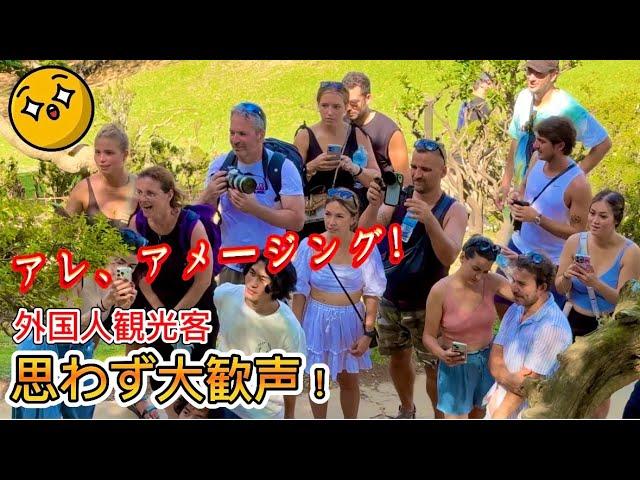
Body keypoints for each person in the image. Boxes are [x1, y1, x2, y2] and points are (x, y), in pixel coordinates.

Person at [359, 139, 468, 418]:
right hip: (390, 297)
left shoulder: (452, 209)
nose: (418, 174)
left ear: (443, 172)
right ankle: (407, 408)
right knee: (397, 357)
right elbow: (364, 235)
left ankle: (438, 416)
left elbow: (449, 256)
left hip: (429, 304)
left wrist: (430, 220)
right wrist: (372, 206)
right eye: (415, 167)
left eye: (426, 170)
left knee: (433, 365)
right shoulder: (399, 195)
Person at [12, 229, 141, 419]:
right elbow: (66, 326)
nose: (124, 270)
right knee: (45, 408)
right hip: (44, 346)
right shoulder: (75, 276)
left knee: (82, 406)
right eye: (119, 262)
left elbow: (95, 335)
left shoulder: (114, 290)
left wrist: (123, 308)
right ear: (103, 254)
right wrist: (106, 303)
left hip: (78, 352)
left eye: (131, 266)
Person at [128, 166, 218, 414]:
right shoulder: (138, 224)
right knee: (163, 376)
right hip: (158, 306)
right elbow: (140, 272)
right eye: (139, 192)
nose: (142, 199)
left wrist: (176, 315)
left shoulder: (192, 225)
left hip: (196, 306)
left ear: (169, 195)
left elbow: (203, 280)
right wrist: (158, 309)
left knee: (195, 376)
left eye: (150, 193)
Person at [292, 188, 386, 418]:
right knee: (318, 381)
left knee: (349, 380)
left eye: (339, 216)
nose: (331, 222)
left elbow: (372, 293)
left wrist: (367, 333)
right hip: (316, 317)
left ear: (354, 219)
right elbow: (300, 290)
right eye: (328, 214)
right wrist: (296, 329)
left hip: (349, 320)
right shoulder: (310, 245)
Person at [555, 190, 640, 418]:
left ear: (616, 220)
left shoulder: (630, 253)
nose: (594, 220)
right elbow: (560, 287)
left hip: (606, 326)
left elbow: (626, 301)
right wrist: (567, 277)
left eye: (603, 216)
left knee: (598, 394)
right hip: (572, 319)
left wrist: (595, 283)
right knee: (564, 386)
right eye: (592, 213)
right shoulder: (575, 242)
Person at [202, 102, 305, 285]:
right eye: (232, 133)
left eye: (242, 134)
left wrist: (254, 208)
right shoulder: (221, 165)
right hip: (231, 267)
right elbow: (201, 217)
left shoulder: (281, 168)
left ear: (260, 135)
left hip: (270, 267)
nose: (235, 139)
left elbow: (297, 221)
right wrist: (208, 195)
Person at [497, 60, 611, 208]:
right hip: (520, 193)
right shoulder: (523, 98)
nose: (531, 78)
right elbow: (516, 140)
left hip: (548, 197)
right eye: (529, 71)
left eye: (539, 73)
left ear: (553, 75)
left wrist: (569, 178)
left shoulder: (567, 107)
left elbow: (603, 143)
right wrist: (506, 182)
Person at [422, 236, 513, 419]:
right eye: (476, 269)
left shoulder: (492, 281)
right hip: (456, 360)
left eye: (485, 271)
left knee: (481, 411)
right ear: (463, 257)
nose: (479, 277)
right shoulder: (440, 290)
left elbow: (524, 294)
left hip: (486, 359)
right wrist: (441, 354)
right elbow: (428, 336)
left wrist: (512, 264)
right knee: (456, 416)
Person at [506, 116, 592, 308]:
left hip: (550, 261)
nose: (535, 145)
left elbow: (577, 232)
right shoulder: (537, 159)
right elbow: (524, 188)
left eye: (542, 141)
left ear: (560, 146)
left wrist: (537, 218)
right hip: (519, 244)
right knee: (501, 297)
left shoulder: (578, 184)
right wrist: (515, 196)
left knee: (541, 312)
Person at [213, 255, 306, 419]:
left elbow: (291, 376)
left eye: (263, 279)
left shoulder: (289, 328)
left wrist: (289, 415)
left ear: (277, 287)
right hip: (224, 398)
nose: (253, 283)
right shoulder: (224, 295)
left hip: (263, 411)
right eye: (252, 272)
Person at [484, 252, 572, 419]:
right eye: (514, 281)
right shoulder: (515, 309)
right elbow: (495, 358)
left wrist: (498, 416)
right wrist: (508, 378)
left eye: (522, 284)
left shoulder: (552, 328)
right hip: (496, 406)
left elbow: (526, 388)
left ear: (542, 287)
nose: (514, 288)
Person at [294, 81, 379, 238]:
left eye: (336, 107)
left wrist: (355, 169)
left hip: (349, 219)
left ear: (346, 107)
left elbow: (376, 178)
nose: (329, 112)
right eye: (324, 106)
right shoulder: (305, 135)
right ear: (317, 106)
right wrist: (313, 166)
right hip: (315, 219)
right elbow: (291, 181)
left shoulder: (357, 134)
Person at [342, 71, 410, 182]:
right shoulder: (341, 124)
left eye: (354, 103)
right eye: (345, 102)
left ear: (368, 98)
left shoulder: (388, 132)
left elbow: (404, 180)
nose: (348, 108)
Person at [66, 123, 138, 228]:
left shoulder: (141, 187)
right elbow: (61, 233)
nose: (101, 159)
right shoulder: (83, 190)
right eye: (97, 152)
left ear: (125, 155)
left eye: (109, 153)